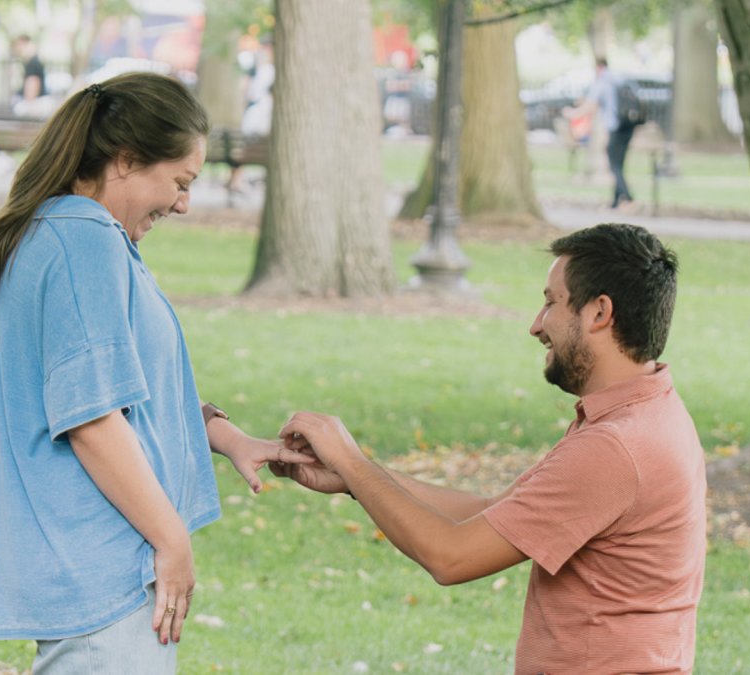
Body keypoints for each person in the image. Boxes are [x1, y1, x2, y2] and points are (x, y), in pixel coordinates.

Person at [0, 72, 312, 673]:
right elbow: (92, 420)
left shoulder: (55, 232)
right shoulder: (85, 242)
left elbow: (124, 390)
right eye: (179, 182)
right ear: (126, 161)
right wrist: (171, 539)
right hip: (108, 575)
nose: (184, 203)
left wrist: (230, 439)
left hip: (89, 563)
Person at [275, 224, 707, 675]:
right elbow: (485, 512)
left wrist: (350, 460)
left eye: (550, 302)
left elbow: (451, 555)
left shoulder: (617, 447)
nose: (536, 326)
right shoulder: (646, 413)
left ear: (599, 312)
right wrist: (354, 478)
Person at [565, 58, 637, 211]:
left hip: (615, 127)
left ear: (598, 67)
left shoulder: (603, 82)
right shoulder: (620, 79)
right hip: (628, 126)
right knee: (619, 163)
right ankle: (616, 201)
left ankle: (628, 198)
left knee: (614, 164)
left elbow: (590, 106)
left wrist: (572, 114)